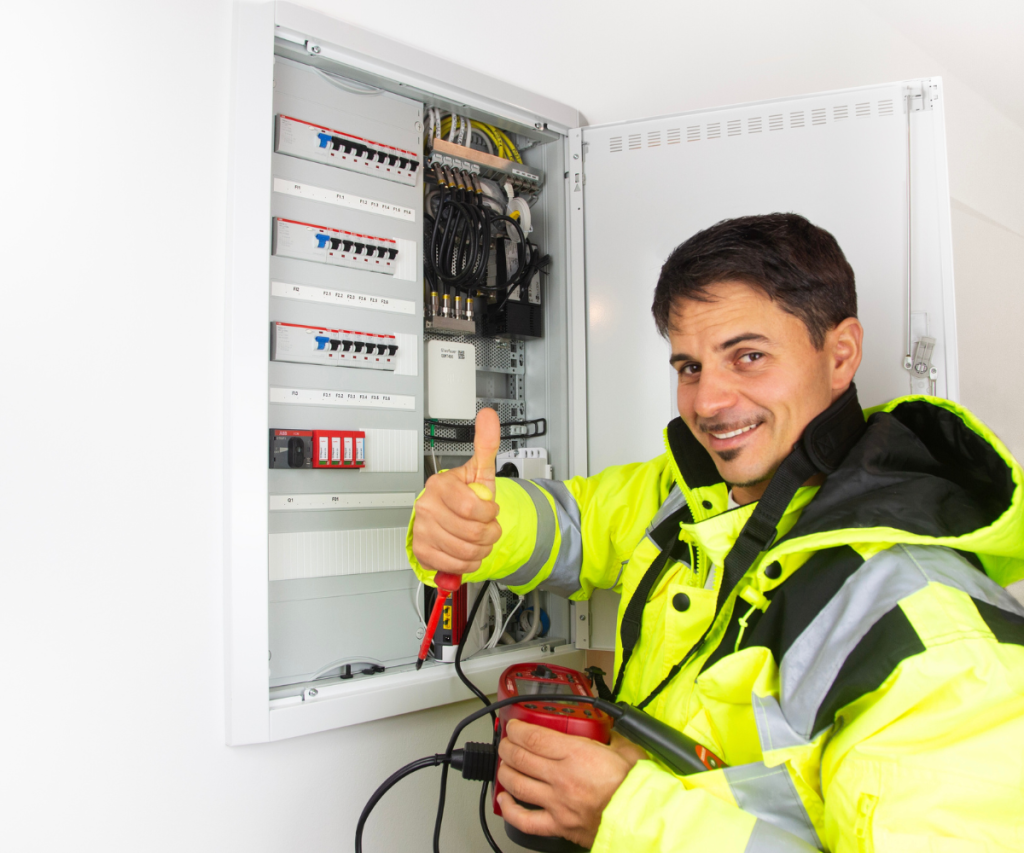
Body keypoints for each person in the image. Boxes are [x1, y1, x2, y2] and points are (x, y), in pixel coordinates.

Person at [407, 213, 1024, 852]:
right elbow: (572, 524)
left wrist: (624, 817)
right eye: (691, 367)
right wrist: (472, 524)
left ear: (840, 354)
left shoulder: (941, 643)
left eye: (748, 357)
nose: (707, 401)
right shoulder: (690, 493)